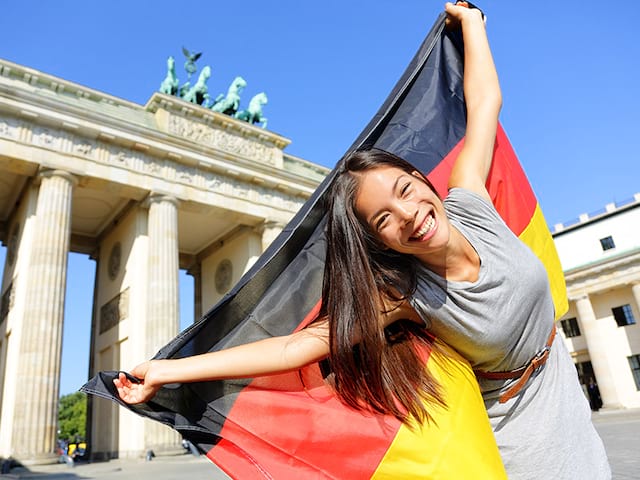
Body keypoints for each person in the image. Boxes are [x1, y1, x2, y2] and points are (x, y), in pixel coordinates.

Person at [115, 3, 610, 478]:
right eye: (384, 220)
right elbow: (295, 348)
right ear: (381, 241)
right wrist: (170, 371)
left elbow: (484, 103)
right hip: (516, 430)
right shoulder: (408, 294)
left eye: (405, 190)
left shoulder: (471, 202)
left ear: (421, 179)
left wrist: (472, 21)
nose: (409, 216)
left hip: (561, 392)